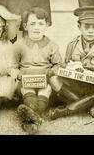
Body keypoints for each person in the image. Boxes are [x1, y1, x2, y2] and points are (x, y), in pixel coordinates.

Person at [47, 6, 94, 121]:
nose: (90, 30)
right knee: (53, 80)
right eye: (86, 27)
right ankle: (89, 105)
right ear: (79, 27)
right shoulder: (72, 45)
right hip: (75, 85)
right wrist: (61, 69)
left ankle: (64, 111)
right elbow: (66, 65)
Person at [13, 7, 62, 135]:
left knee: (45, 90)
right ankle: (36, 116)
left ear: (46, 26)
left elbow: (58, 65)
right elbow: (11, 66)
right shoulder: (19, 45)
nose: (36, 27)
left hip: (44, 79)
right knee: (26, 90)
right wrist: (18, 74)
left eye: (41, 24)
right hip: (26, 80)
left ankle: (31, 116)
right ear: (25, 26)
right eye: (32, 24)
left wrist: (52, 72)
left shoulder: (52, 45)